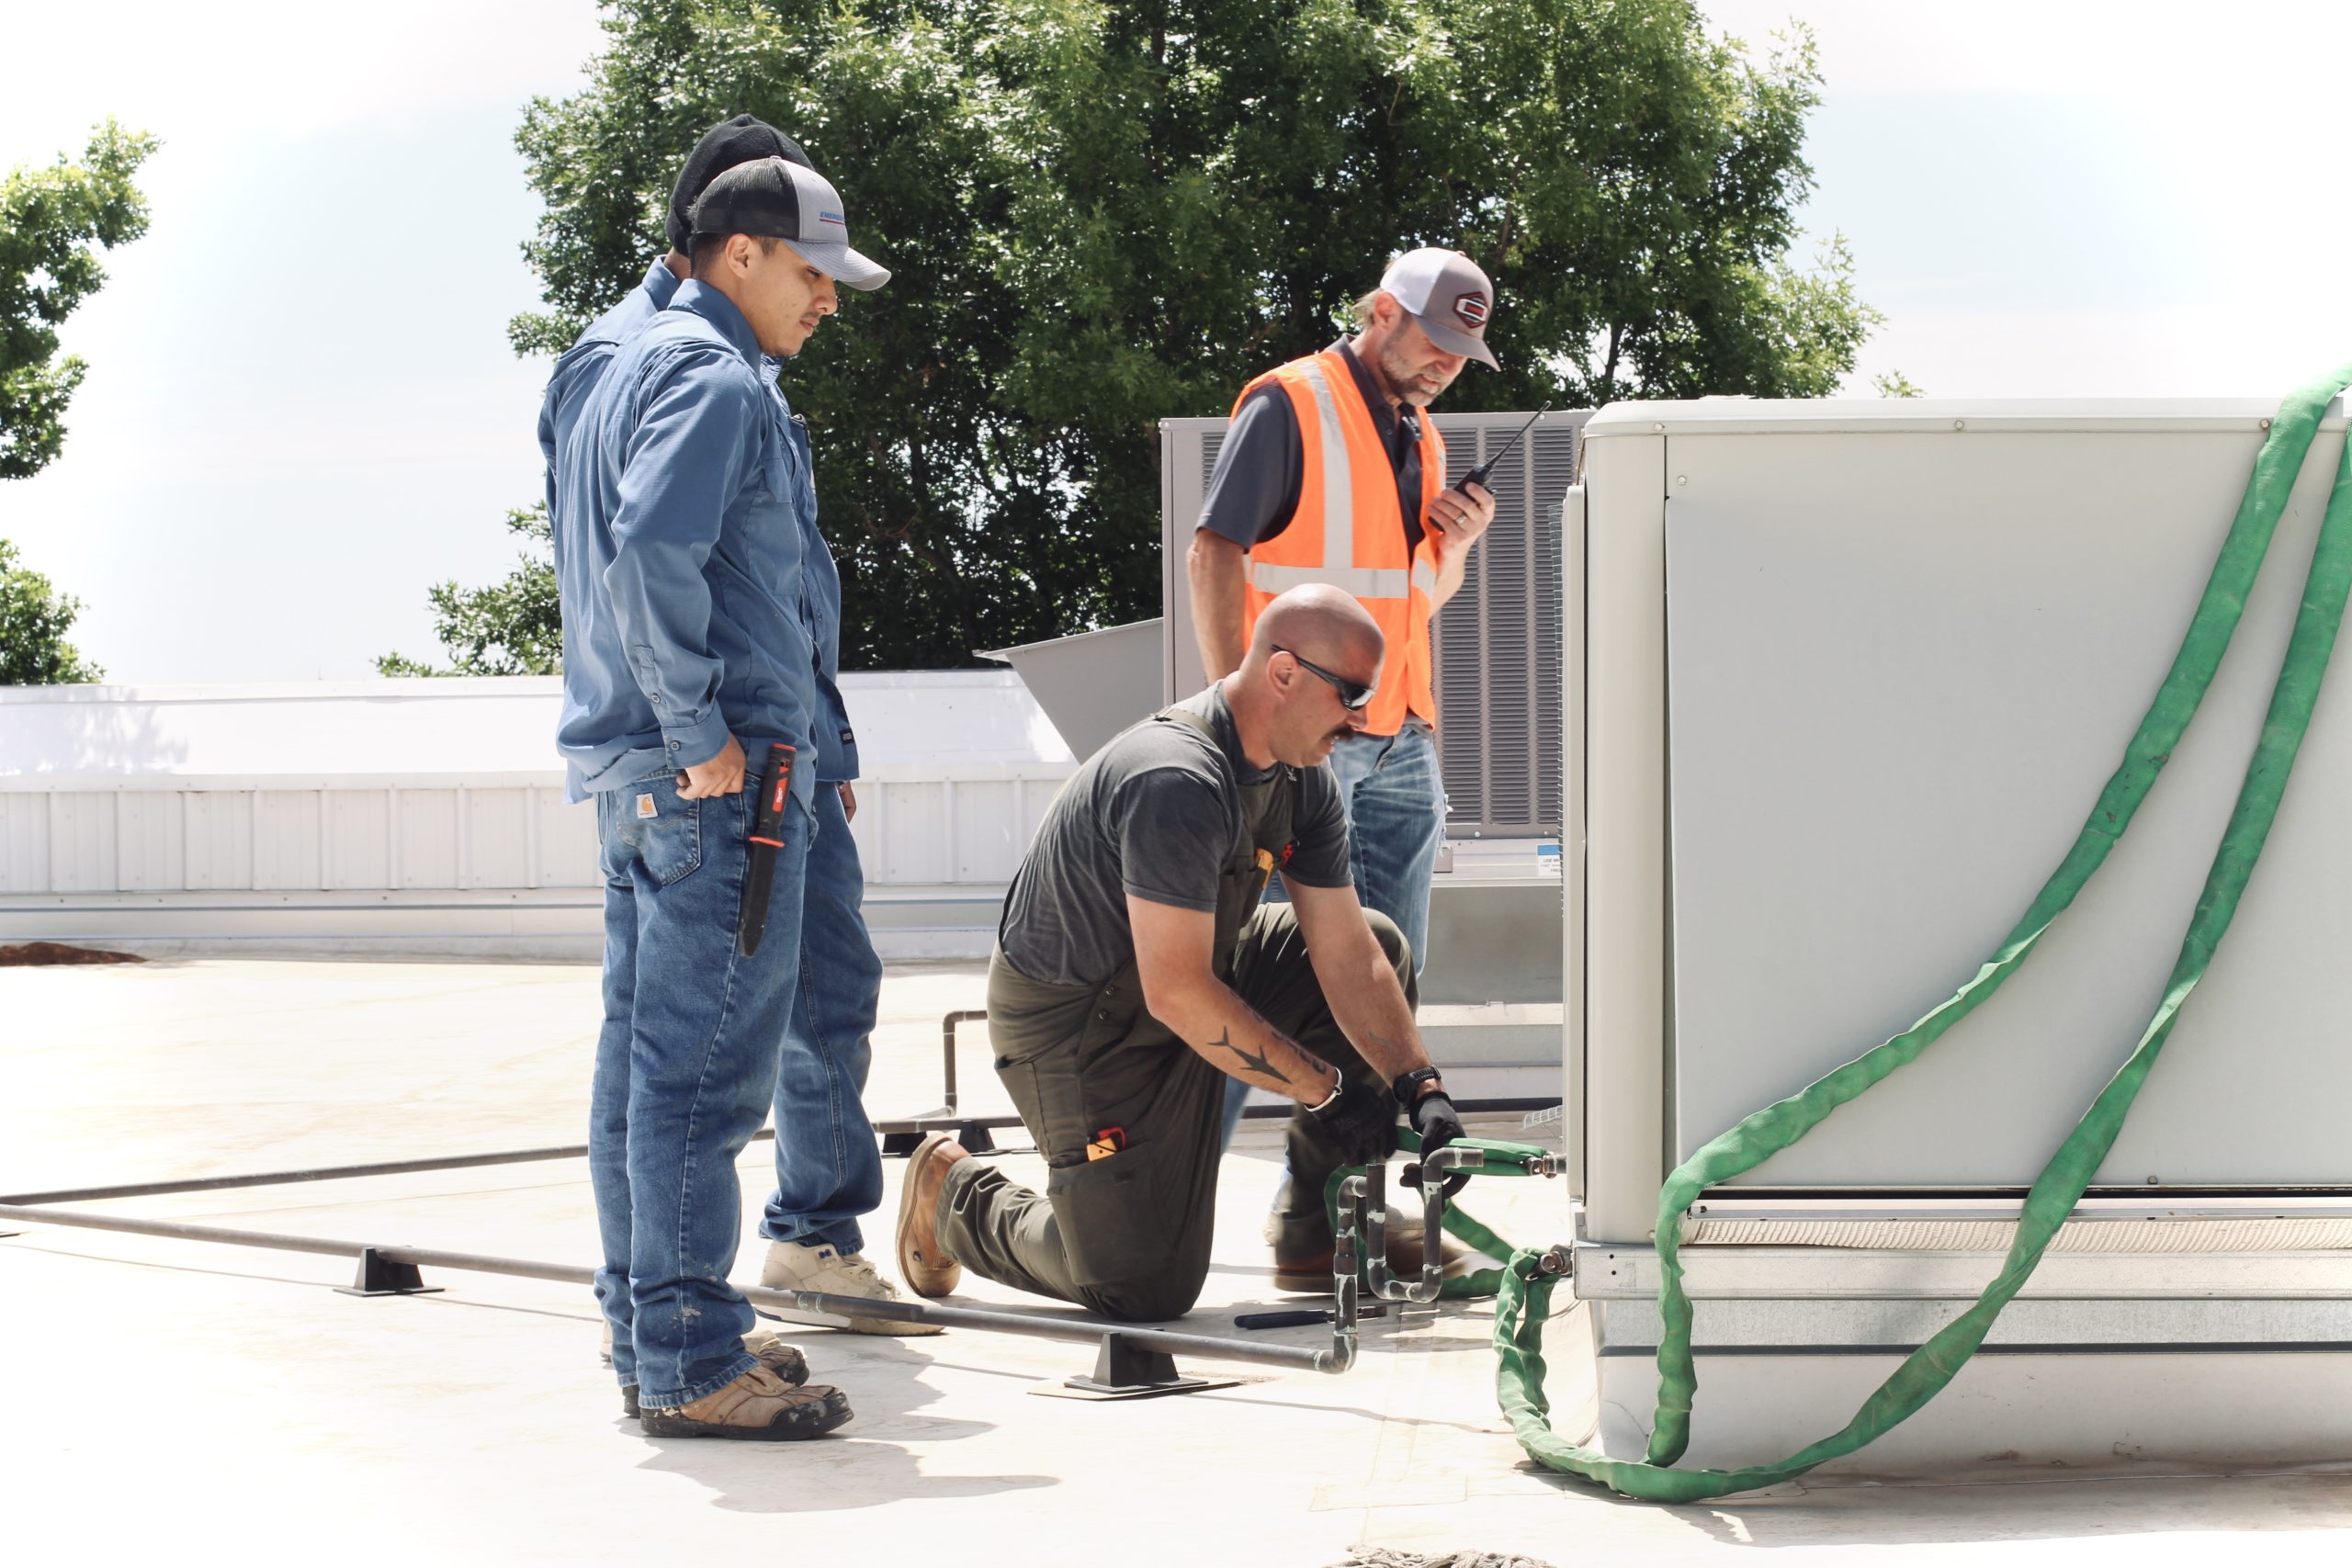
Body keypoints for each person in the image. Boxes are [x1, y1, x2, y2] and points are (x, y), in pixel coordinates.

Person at [539, 115, 925, 1353]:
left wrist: (819, 742)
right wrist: (697, 727)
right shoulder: (692, 369)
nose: (828, 298)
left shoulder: (661, 361)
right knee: (697, 1076)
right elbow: (643, 557)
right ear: (736, 247)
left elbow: (768, 577)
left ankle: (650, 1324)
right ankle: (687, 1348)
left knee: (657, 1062)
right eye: (812, 269)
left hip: (702, 760)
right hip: (710, 772)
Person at [891, 586, 1468, 1323]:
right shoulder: (1175, 778)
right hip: (1078, 1027)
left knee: (1380, 937)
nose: (1363, 720)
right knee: (1141, 1285)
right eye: (1351, 695)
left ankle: (1321, 1231)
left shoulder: (1300, 778)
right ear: (1284, 672)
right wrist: (1328, 1090)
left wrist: (1420, 1085)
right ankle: (955, 1193)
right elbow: (1179, 993)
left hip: (1184, 977)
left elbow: (1350, 955)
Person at [1183, 247, 1503, 1283]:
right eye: (1434, 341)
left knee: (1381, 997)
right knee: (1252, 986)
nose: (1446, 364)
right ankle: (1153, 1212)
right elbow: (1214, 550)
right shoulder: (1291, 403)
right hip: (1304, 744)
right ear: (1379, 311)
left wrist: (1458, 547)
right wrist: (1239, 720)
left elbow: (1408, 601)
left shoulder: (1423, 437)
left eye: (1462, 352)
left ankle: (1326, 1223)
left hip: (1401, 743)